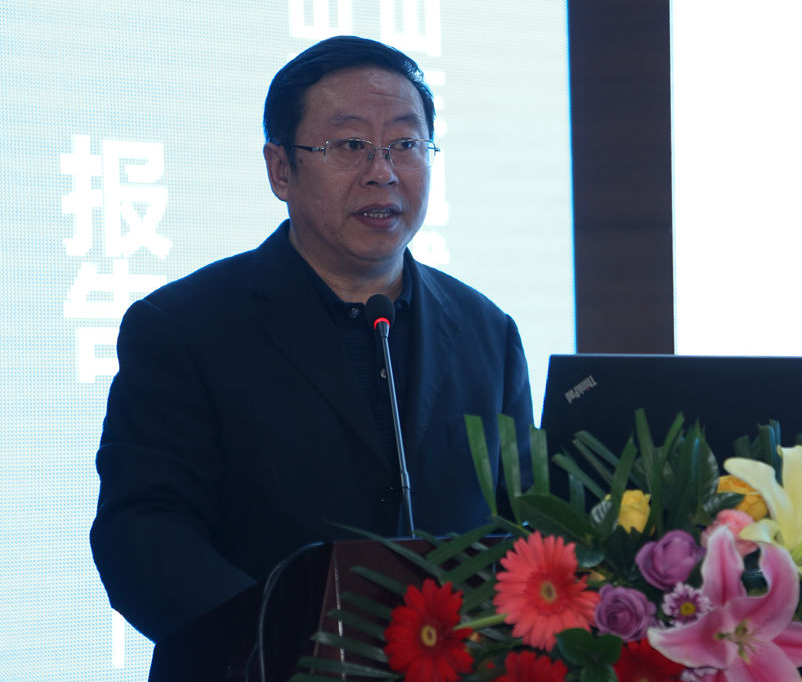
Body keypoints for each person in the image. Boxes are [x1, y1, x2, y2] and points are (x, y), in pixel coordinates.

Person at [90, 35, 532, 663]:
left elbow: (524, 528)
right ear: (280, 170)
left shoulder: (487, 331)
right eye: (349, 145)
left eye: (406, 144)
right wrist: (287, 647)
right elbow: (142, 534)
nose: (382, 171)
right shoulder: (182, 327)